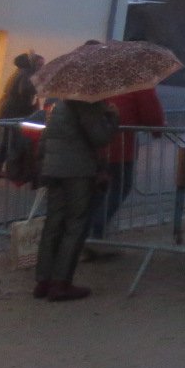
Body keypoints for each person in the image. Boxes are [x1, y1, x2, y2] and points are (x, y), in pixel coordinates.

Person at [34, 94, 119, 301]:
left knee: (53, 224)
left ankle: (43, 281)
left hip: (53, 169)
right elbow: (100, 137)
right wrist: (113, 117)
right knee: (75, 226)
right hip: (77, 171)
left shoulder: (58, 105)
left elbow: (45, 139)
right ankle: (61, 284)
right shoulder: (86, 104)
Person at [86, 84, 167, 255]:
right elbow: (151, 114)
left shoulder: (98, 78)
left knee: (95, 192)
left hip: (89, 146)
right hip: (118, 147)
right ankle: (93, 236)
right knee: (119, 188)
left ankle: (84, 237)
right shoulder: (137, 82)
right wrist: (158, 129)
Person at [0, 52, 44, 119]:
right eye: (39, 65)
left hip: (7, 107)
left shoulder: (20, 72)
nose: (41, 68)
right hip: (15, 110)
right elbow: (25, 91)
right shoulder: (27, 74)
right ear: (32, 64)